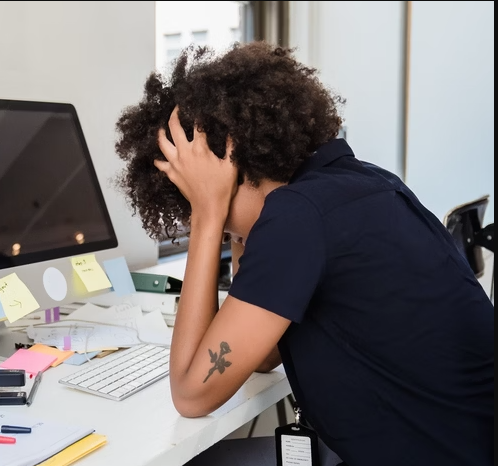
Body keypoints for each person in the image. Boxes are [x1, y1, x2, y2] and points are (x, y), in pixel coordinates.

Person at [114, 42, 494, 466]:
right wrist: (234, 224)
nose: (218, 226)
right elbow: (262, 355)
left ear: (231, 163)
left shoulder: (298, 218)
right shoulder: (358, 183)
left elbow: (190, 392)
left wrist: (207, 213)